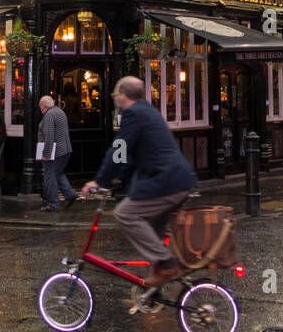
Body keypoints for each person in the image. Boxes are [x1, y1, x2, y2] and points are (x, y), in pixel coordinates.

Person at [80, 76, 197, 288]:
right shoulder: (147, 111)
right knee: (153, 234)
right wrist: (118, 180)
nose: (115, 98)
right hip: (177, 181)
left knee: (125, 214)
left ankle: (168, 263)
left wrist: (98, 181)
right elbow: (130, 156)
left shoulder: (133, 114)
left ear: (123, 95)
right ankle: (155, 289)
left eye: (115, 94)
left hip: (166, 182)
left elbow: (119, 150)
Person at [37, 95, 76, 212]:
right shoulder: (60, 112)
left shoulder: (49, 115)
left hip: (55, 152)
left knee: (50, 177)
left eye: (40, 108)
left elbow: (49, 136)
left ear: (44, 106)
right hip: (65, 150)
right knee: (58, 174)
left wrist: (46, 154)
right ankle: (70, 194)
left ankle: (52, 204)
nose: (41, 111)